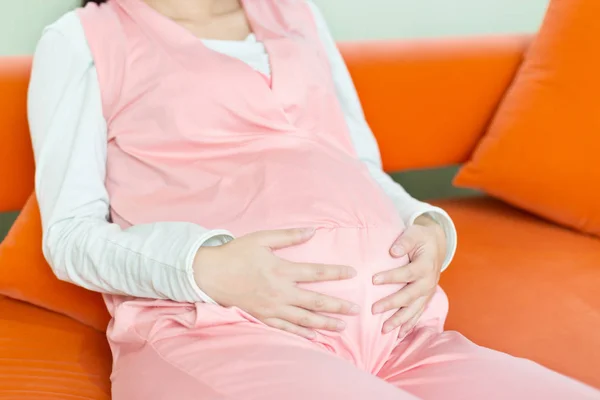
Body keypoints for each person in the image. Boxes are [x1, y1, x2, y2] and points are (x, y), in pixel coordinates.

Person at [27, 0, 599, 399]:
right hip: (221, 334)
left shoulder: (296, 13)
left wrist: (429, 228)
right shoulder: (84, 39)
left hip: (398, 334)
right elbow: (70, 236)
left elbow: (359, 164)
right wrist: (205, 266)